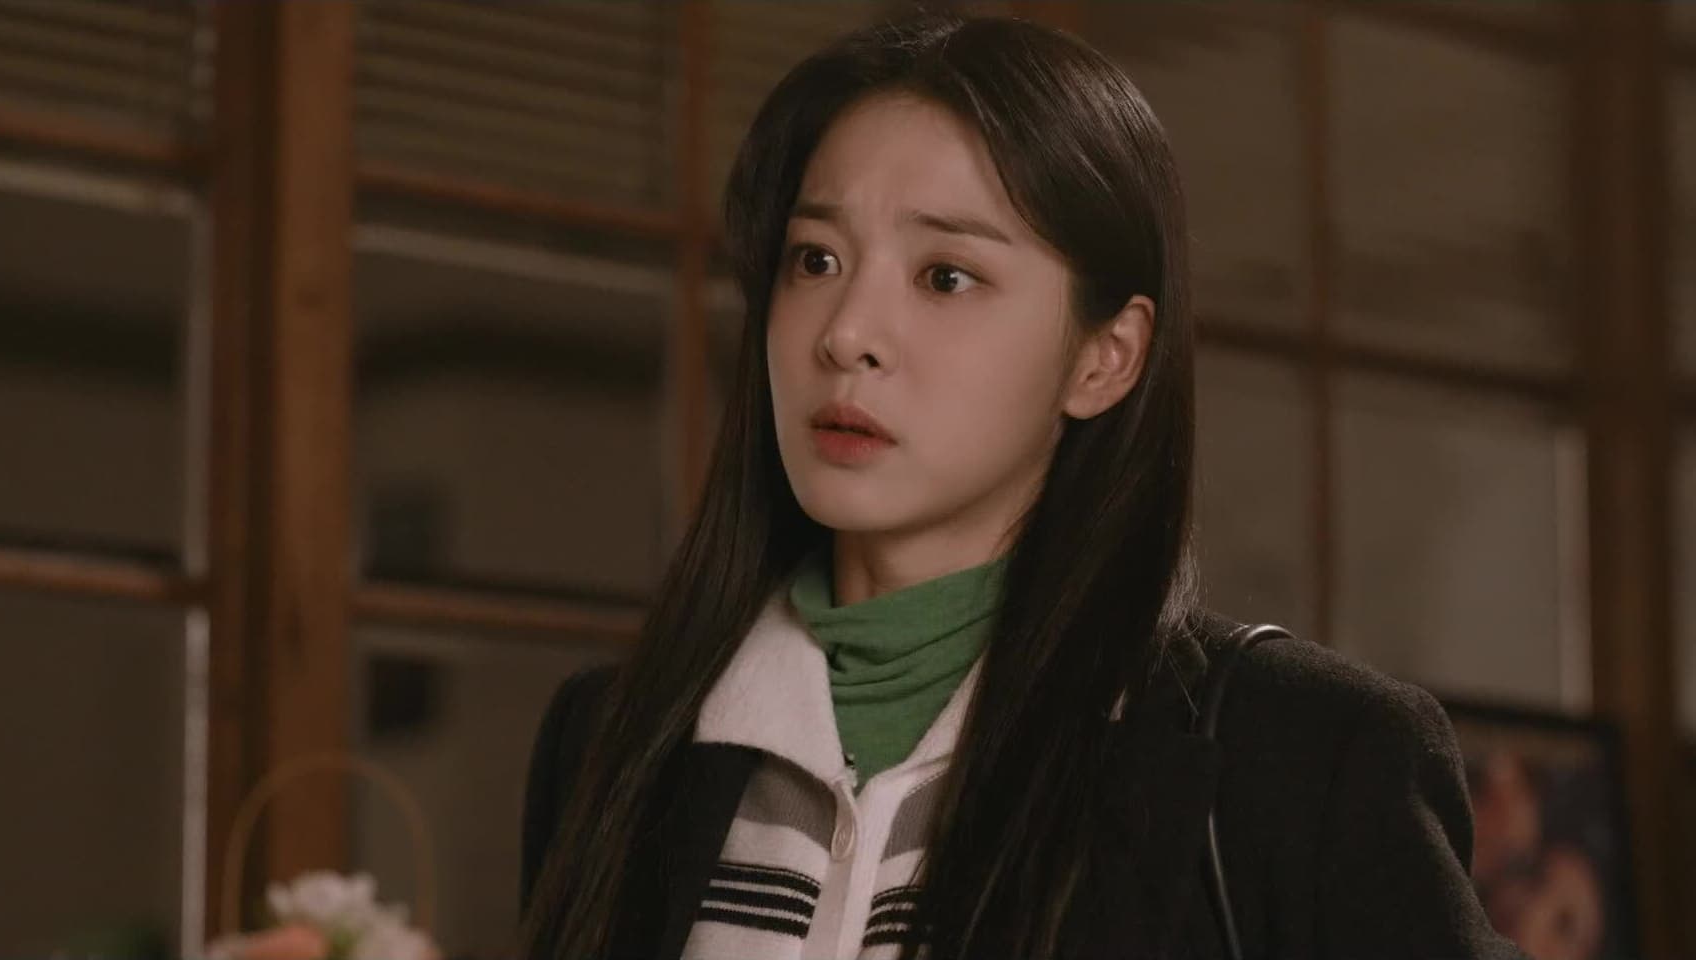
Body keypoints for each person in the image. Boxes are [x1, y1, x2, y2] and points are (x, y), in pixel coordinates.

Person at [519, 13, 1525, 960]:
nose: (846, 333)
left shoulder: (1304, 757)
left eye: (944, 276)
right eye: (814, 259)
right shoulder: (609, 740)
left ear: (1104, 358)